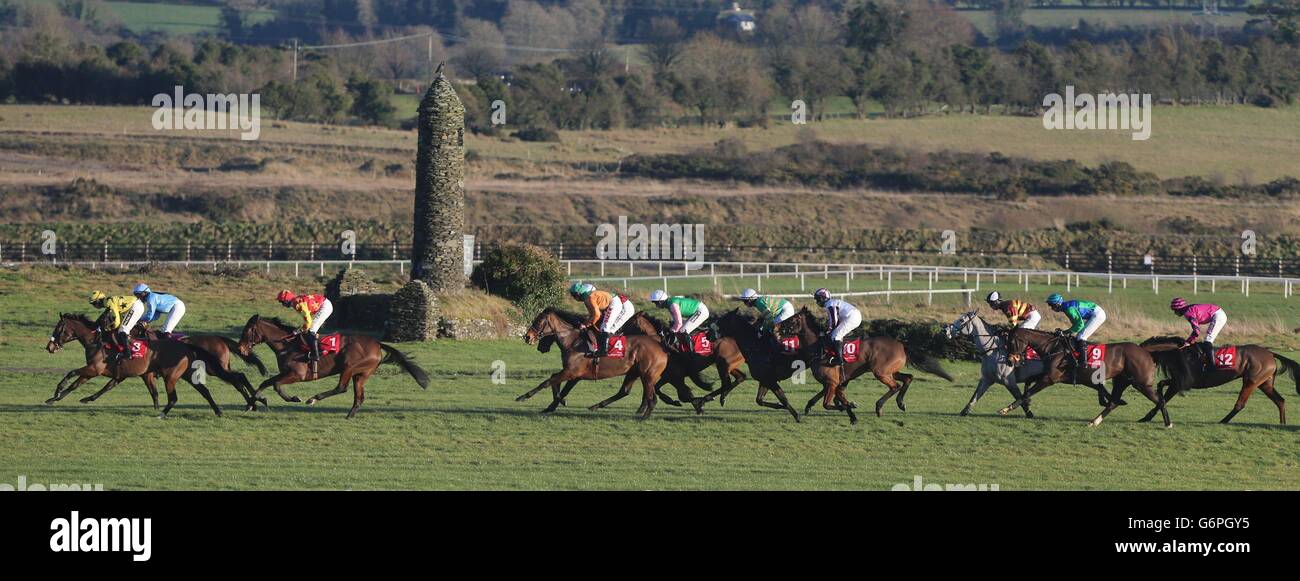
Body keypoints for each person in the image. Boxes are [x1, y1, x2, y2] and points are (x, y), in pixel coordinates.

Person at [570, 282, 634, 358]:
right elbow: (594, 316)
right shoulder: (588, 298)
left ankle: (604, 351)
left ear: (578, 294)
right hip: (615, 303)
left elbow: (596, 315)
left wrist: (585, 324)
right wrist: (587, 323)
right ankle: (603, 348)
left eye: (574, 296)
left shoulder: (589, 298)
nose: (574, 298)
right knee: (603, 328)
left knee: (606, 328)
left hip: (617, 304)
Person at [277, 290, 333, 375]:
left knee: (311, 330)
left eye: (282, 302)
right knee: (308, 329)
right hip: (324, 304)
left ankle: (315, 354)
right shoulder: (296, 302)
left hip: (325, 306)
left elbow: (308, 322)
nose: (282, 305)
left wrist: (299, 330)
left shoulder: (298, 304)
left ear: (287, 300)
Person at [1046, 293, 1106, 371]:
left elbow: (1079, 325)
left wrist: (1066, 332)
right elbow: (1077, 324)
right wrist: (1068, 331)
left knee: (1081, 337)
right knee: (1079, 336)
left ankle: (1083, 363)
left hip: (1097, 315)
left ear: (1057, 304)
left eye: (1051, 305)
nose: (1051, 308)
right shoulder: (1066, 307)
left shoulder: (1068, 309)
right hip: (1095, 312)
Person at [1170, 297, 1226, 370]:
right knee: (1206, 341)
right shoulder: (1188, 310)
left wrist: (1188, 341)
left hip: (1218, 315)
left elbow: (1196, 331)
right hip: (1217, 313)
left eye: (1175, 310)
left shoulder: (1188, 313)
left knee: (1208, 341)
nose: (1175, 313)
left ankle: (1211, 366)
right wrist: (1190, 340)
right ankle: (1208, 362)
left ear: (1179, 309)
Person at [734, 288, 795, 354]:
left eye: (745, 301)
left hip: (786, 309)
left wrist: (761, 330)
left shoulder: (759, 303)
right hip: (784, 308)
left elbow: (769, 319)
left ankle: (782, 350)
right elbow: (766, 317)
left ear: (750, 299)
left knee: (774, 328)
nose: (744, 303)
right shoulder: (758, 301)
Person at [89, 290, 142, 363]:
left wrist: (112, 327)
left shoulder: (108, 303)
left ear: (98, 301)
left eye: (94, 303)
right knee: (122, 329)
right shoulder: (108, 302)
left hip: (135, 306)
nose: (94, 306)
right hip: (136, 305)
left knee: (123, 330)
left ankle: (127, 353)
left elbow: (117, 319)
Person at [814, 288, 862, 365]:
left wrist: (828, 331)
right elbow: (834, 321)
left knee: (835, 336)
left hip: (852, 317)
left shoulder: (830, 305)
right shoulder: (831, 303)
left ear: (823, 298)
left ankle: (839, 360)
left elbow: (834, 321)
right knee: (835, 333)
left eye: (818, 299)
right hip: (853, 316)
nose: (817, 302)